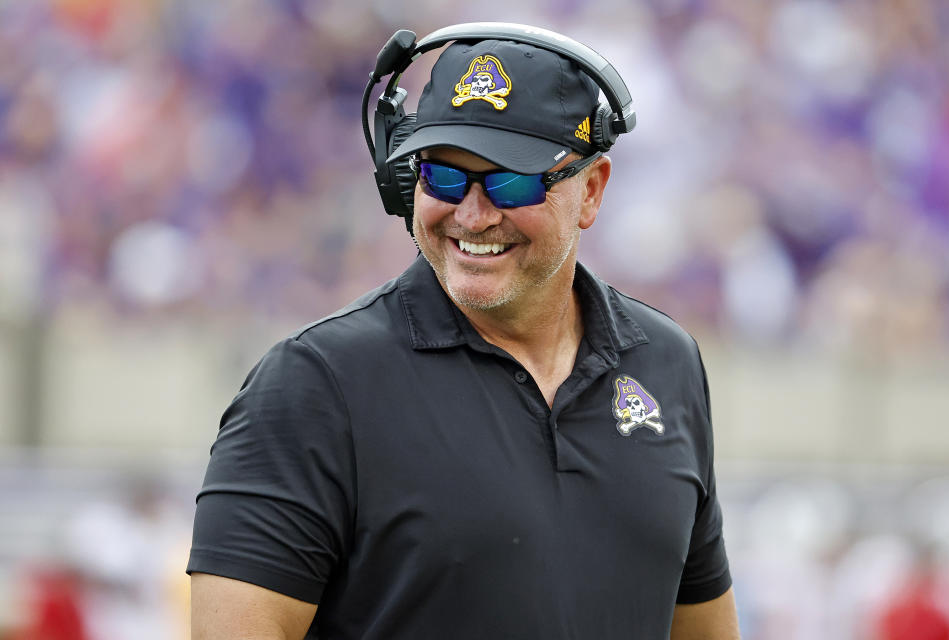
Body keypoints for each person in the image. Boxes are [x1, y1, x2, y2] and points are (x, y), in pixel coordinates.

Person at [188, 24, 740, 640]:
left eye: (511, 180)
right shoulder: (313, 385)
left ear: (591, 190)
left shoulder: (667, 363)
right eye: (443, 178)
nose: (473, 214)